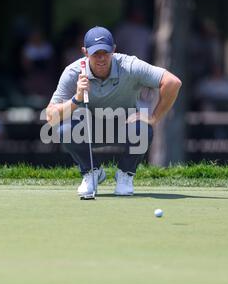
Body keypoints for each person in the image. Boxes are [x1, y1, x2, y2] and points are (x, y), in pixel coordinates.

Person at [46, 26, 182, 197]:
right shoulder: (73, 72)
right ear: (85, 52)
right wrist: (76, 99)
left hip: (125, 127)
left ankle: (125, 174)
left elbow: (173, 83)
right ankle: (92, 172)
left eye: (106, 52)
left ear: (114, 50)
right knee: (63, 129)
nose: (101, 58)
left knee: (143, 129)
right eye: (96, 53)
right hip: (88, 130)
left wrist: (154, 117)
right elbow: (50, 117)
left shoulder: (130, 65)